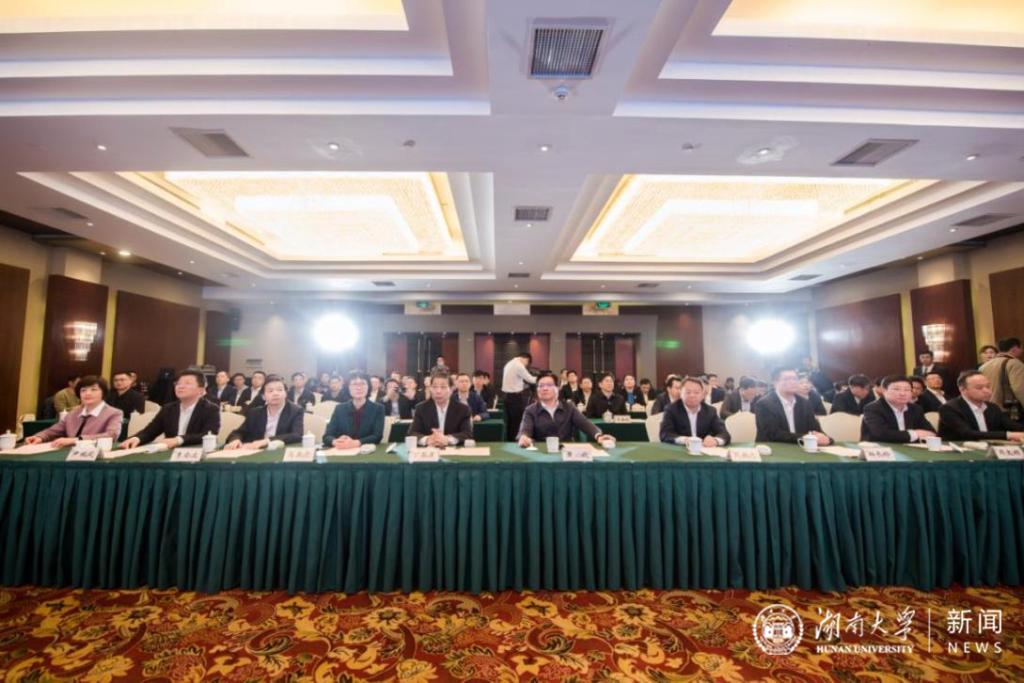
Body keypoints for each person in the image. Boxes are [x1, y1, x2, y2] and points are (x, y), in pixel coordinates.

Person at [120, 371, 220, 449]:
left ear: (201, 390)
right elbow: (150, 431)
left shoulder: (211, 409)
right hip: (169, 454)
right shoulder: (168, 409)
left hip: (195, 455)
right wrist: (137, 438)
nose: (180, 386)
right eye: (178, 383)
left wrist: (179, 440)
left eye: (187, 383)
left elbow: (208, 434)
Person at [516, 372, 615, 448]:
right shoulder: (530, 410)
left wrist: (598, 436)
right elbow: (525, 430)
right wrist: (524, 437)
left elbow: (584, 423)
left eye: (549, 385)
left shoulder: (569, 407)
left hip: (567, 450)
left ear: (557, 388)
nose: (544, 388)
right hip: (542, 450)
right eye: (540, 386)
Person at [26, 376, 123, 446]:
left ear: (104, 393)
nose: (88, 393)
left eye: (94, 390)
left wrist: (76, 440)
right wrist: (39, 437)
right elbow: (54, 430)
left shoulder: (114, 413)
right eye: (83, 390)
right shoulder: (73, 413)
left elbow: (111, 435)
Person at [938, 371, 1024, 443]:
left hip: (990, 449)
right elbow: (967, 433)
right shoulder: (949, 408)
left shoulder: (992, 407)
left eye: (988, 386)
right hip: (960, 452)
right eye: (979, 388)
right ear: (962, 389)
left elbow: (1012, 426)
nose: (987, 391)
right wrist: (1008, 435)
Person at [754, 367, 832, 445]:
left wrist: (827, 439)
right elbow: (773, 434)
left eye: (795, 379)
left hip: (800, 447)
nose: (792, 382)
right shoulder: (764, 404)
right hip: (772, 447)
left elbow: (815, 429)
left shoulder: (804, 403)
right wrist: (805, 438)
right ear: (775, 382)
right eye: (787, 379)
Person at [224, 374, 304, 449]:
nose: (275, 393)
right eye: (270, 391)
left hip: (280, 451)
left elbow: (297, 435)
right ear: (263, 396)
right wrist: (235, 440)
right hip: (255, 451)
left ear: (285, 394)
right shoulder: (255, 413)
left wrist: (267, 441)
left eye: (280, 390)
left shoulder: (295, 411)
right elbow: (238, 432)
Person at [861, 375, 937, 443]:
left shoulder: (915, 409)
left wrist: (923, 435)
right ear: (884, 391)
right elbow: (881, 434)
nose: (902, 393)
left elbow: (931, 432)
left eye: (907, 390)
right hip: (880, 450)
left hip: (910, 450)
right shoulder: (872, 408)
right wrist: (915, 434)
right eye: (896, 389)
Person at [660, 376, 731, 447]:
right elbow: (665, 434)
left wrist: (715, 441)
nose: (692, 395)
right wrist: (684, 440)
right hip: (681, 449)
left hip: (704, 450)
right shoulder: (671, 410)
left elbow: (724, 434)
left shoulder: (710, 411)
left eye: (696, 392)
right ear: (681, 393)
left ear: (703, 395)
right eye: (688, 392)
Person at [410, 371, 473, 446]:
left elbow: (467, 434)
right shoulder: (421, 408)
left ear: (451, 389)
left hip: (453, 451)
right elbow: (412, 433)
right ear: (430, 388)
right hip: (429, 450)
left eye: (443, 387)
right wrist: (427, 439)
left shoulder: (463, 409)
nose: (438, 391)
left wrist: (448, 439)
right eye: (434, 387)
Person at [324, 371, 385, 447]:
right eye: (354, 384)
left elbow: (377, 436)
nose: (359, 388)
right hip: (343, 450)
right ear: (348, 387)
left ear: (368, 387)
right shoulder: (339, 408)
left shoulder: (378, 408)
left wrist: (355, 443)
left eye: (363, 384)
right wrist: (336, 442)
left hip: (366, 451)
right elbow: (327, 436)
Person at [979, 337, 1024, 421]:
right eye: (1021, 348)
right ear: (1014, 349)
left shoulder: (983, 366)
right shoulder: (1014, 364)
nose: (1022, 351)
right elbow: (1020, 389)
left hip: (988, 409)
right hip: (1008, 410)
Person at [501, 352, 536, 440]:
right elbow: (531, 379)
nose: (526, 366)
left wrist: (524, 386)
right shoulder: (519, 365)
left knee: (510, 422)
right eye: (527, 363)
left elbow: (515, 381)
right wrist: (542, 378)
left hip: (507, 396)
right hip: (515, 398)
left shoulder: (509, 364)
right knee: (517, 422)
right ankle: (515, 441)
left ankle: (510, 440)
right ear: (526, 359)